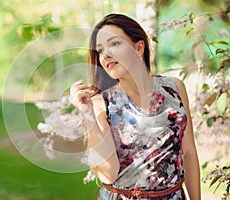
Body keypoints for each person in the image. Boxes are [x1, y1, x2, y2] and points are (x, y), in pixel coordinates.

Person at [70, 13, 201, 200]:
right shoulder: (101, 103)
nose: (105, 54)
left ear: (139, 47)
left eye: (114, 43)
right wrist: (86, 114)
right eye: (99, 50)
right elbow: (108, 174)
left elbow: (188, 152)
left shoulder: (174, 88)